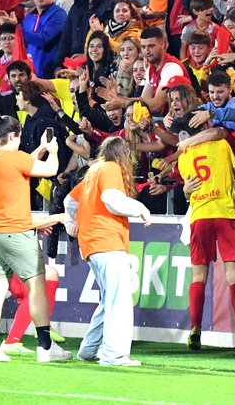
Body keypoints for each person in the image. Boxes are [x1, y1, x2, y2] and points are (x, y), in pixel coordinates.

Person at [0, 113, 70, 362]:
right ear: (12, 136)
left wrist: (40, 148)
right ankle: (45, 347)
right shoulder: (16, 158)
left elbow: (19, 164)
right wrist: (53, 151)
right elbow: (51, 169)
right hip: (17, 234)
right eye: (18, 137)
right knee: (38, 289)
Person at [64, 136, 151, 367]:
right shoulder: (111, 168)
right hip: (107, 241)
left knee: (109, 300)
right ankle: (114, 355)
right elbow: (112, 200)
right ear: (124, 155)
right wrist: (140, 208)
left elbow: (69, 201)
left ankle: (88, 349)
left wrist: (72, 225)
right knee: (119, 300)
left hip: (92, 244)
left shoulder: (94, 171)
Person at [178, 111, 235, 351]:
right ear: (205, 125)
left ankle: (195, 329)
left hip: (200, 216)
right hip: (225, 213)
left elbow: (188, 187)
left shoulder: (185, 155)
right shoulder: (222, 145)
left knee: (198, 277)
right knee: (234, 275)